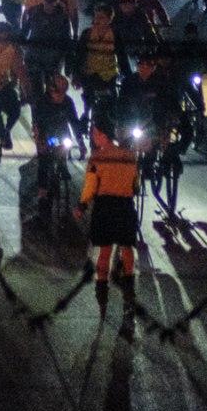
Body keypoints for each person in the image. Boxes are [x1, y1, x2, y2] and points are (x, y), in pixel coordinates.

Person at [82, 119, 142, 308]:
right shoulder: (130, 157)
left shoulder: (96, 158)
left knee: (105, 251)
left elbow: (90, 187)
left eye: (94, 133)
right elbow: (136, 185)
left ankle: (101, 289)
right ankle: (129, 285)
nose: (92, 137)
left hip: (104, 208)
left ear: (102, 135)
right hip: (125, 207)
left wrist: (81, 205)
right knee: (126, 249)